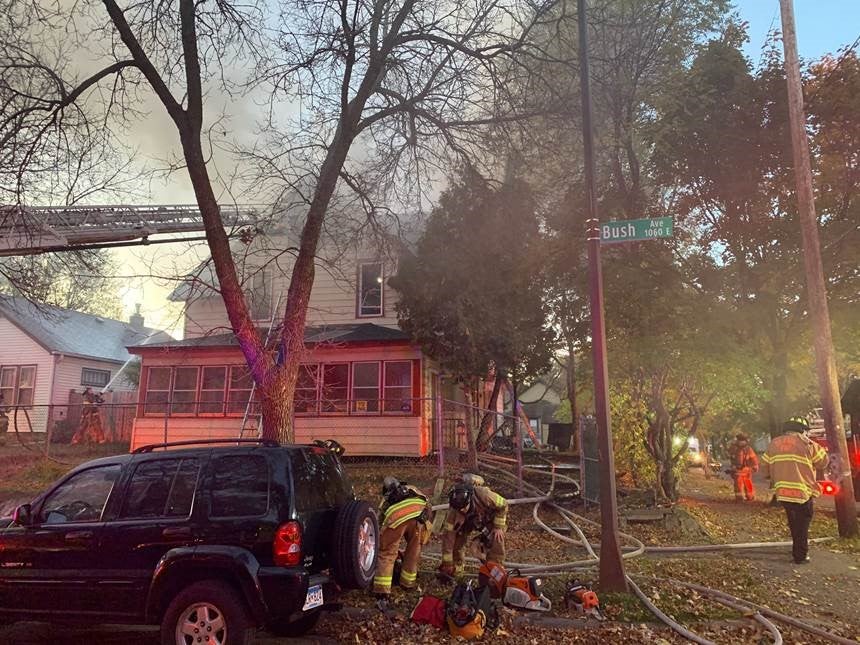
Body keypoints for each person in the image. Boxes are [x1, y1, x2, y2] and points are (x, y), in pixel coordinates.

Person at [761, 416, 828, 564]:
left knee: (793, 522)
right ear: (803, 430)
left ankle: (797, 549)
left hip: (783, 493)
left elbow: (764, 467)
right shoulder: (807, 444)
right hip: (802, 492)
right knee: (802, 524)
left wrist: (773, 476)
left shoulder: (773, 444)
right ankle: (800, 556)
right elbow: (823, 462)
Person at [373, 476, 432, 601]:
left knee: (387, 553)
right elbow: (427, 503)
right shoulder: (412, 489)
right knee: (414, 551)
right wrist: (426, 520)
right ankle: (408, 583)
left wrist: (378, 538)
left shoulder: (386, 500)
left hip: (395, 522)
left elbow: (379, 521)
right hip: (417, 519)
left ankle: (382, 591)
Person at [438, 474, 507, 579]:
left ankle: (495, 574)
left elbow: (503, 504)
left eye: (464, 508)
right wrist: (447, 563)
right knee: (457, 543)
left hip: (489, 520)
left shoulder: (484, 495)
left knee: (497, 539)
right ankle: (457, 573)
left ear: (469, 499)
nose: (462, 511)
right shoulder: (455, 511)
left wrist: (498, 526)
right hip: (467, 523)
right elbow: (448, 538)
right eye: (459, 509)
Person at [728, 433, 759, 501]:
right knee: (738, 484)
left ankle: (750, 497)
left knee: (748, 484)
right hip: (737, 469)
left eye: (743, 441)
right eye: (740, 440)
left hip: (746, 469)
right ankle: (739, 498)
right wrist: (733, 466)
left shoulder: (748, 449)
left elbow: (753, 458)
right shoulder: (734, 448)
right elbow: (731, 457)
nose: (741, 442)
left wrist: (755, 465)